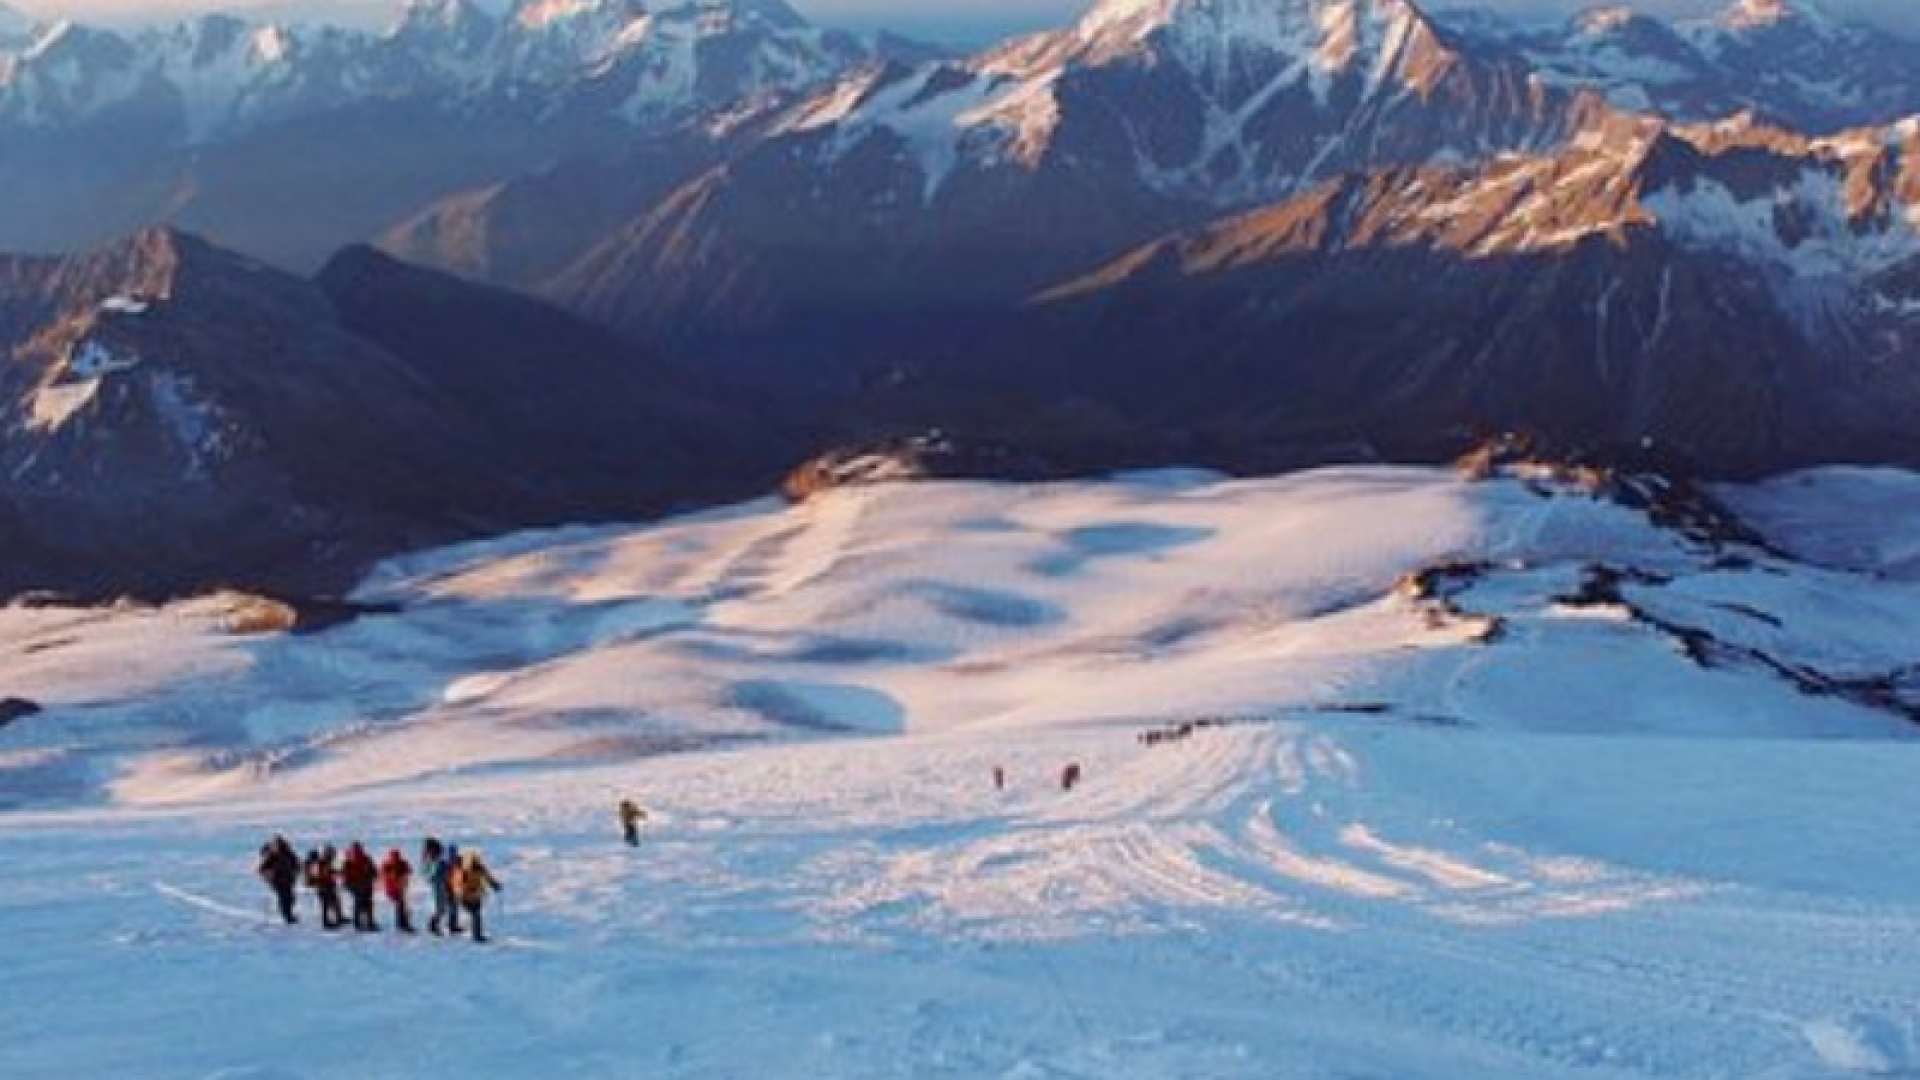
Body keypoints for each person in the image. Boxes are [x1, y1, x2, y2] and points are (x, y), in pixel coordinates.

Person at [451, 849, 502, 944]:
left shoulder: (479, 868)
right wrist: (461, 893)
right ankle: (476, 935)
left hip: (476, 896)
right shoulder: (462, 871)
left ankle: (476, 934)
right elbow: (458, 884)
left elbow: (487, 877)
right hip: (466, 897)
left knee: (476, 915)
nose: (474, 862)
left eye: (475, 860)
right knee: (476, 915)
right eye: (473, 860)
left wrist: (494, 885)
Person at [256, 835, 301, 925]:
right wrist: (268, 874)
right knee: (284, 898)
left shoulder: (289, 854)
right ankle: (288, 916)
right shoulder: (272, 856)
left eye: (277, 845)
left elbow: (297, 864)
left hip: (289, 880)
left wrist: (296, 871)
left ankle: (288, 913)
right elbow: (262, 869)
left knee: (291, 898)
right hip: (278, 882)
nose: (276, 847)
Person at [341, 842, 380, 932]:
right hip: (358, 886)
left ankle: (365, 922)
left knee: (365, 904)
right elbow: (345, 875)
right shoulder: (351, 861)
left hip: (364, 886)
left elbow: (373, 871)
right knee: (363, 904)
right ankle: (364, 923)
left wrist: (372, 878)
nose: (356, 853)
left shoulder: (363, 859)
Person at [426, 839, 462, 936]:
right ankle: (433, 926)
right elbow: (434, 877)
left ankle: (453, 926)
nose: (452, 856)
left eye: (454, 853)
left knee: (454, 906)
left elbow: (461, 872)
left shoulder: (458, 861)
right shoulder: (442, 863)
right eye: (451, 854)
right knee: (441, 908)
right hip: (441, 887)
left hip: (451, 886)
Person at [306, 845, 345, 930]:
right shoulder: (321, 863)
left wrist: (338, 873)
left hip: (328, 886)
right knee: (326, 905)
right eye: (332, 854)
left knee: (335, 902)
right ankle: (326, 922)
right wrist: (332, 874)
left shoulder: (326, 862)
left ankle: (339, 917)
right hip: (323, 887)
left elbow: (331, 871)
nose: (334, 856)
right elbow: (321, 874)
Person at [380, 848, 415, 934]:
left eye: (396, 857)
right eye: (394, 857)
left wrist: (404, 877)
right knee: (401, 906)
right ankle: (402, 924)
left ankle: (403, 924)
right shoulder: (387, 865)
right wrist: (395, 879)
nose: (395, 859)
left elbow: (410, 870)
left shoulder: (400, 863)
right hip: (393, 890)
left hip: (401, 888)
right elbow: (383, 875)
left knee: (403, 906)